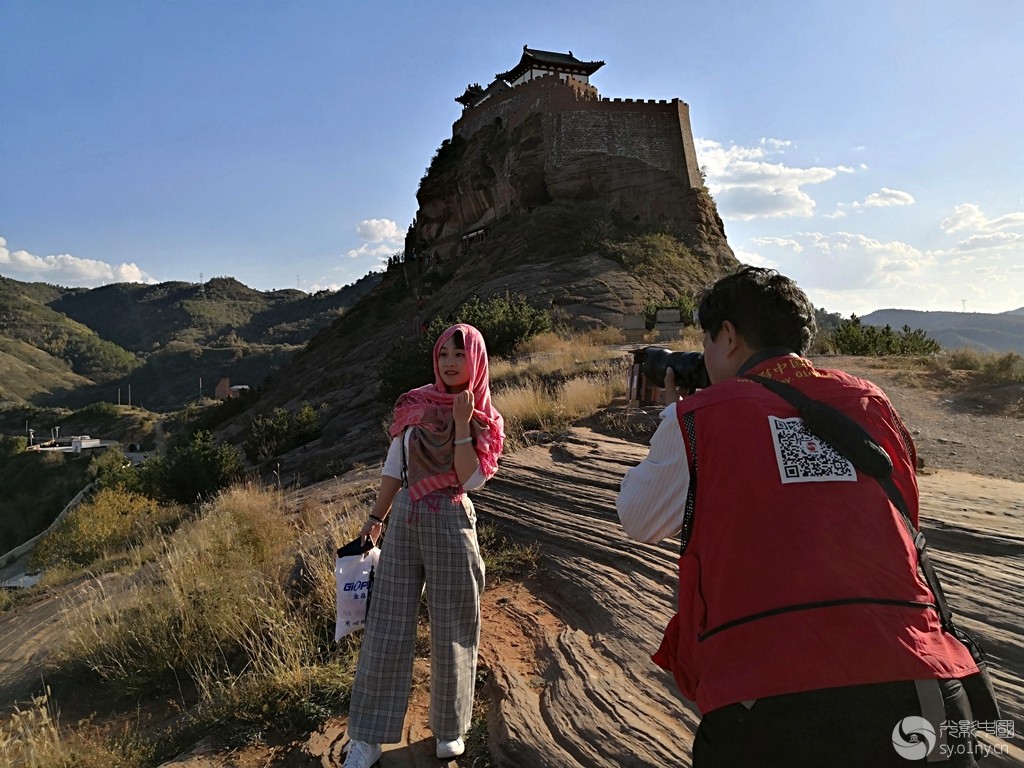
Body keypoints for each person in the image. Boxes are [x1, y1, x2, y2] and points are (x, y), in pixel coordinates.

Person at [617, 267, 982, 767]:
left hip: (770, 698)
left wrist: (672, 417)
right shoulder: (870, 403)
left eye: (707, 339)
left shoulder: (702, 418)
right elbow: (905, 516)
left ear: (727, 335)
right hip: (917, 679)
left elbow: (638, 518)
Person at [343, 323, 504, 768]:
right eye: (443, 355)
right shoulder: (415, 403)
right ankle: (369, 735)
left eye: (459, 354)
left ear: (476, 359)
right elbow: (395, 466)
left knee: (453, 626)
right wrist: (377, 517)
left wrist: (460, 425)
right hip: (407, 517)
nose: (450, 363)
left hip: (452, 516)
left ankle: (450, 728)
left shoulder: (483, 414)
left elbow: (472, 479)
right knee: (387, 623)